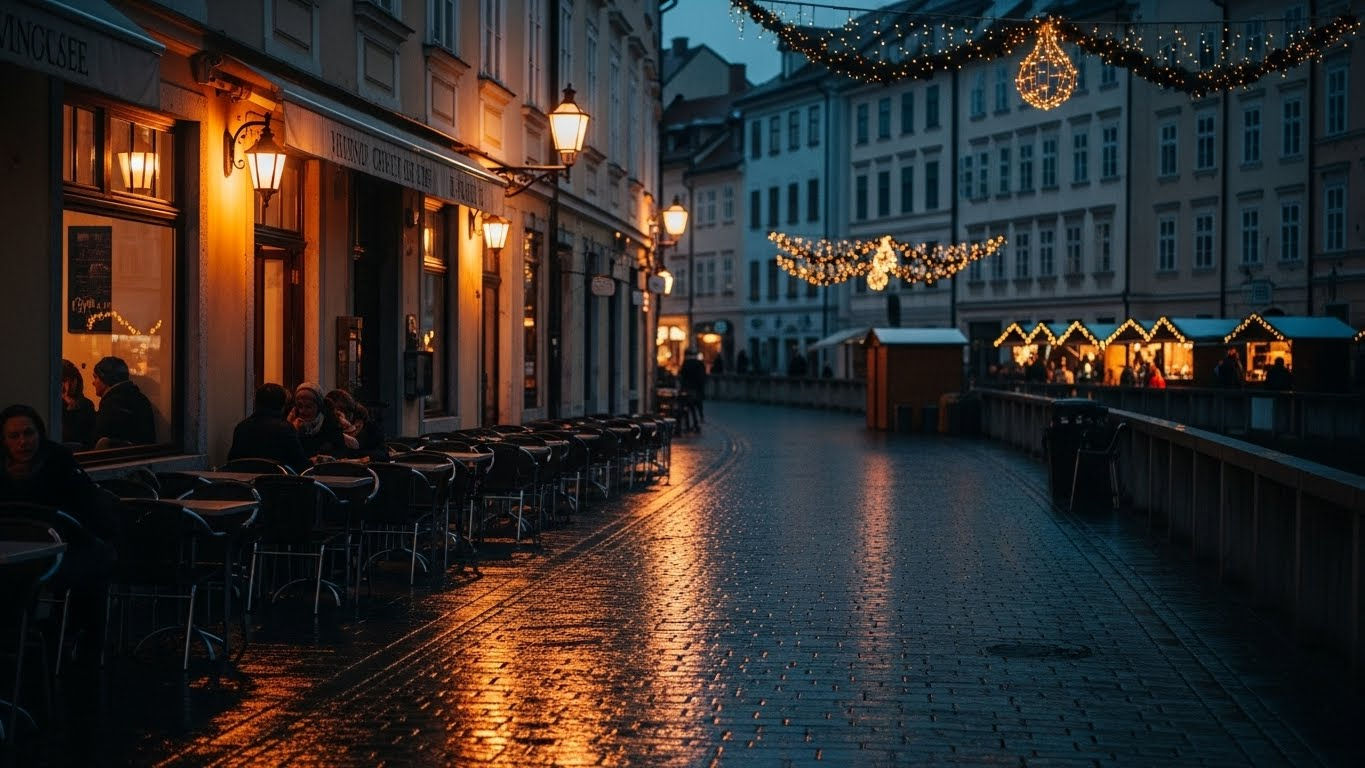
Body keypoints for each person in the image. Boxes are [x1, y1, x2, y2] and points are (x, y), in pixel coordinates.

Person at [0, 403, 117, 664]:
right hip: (19, 558)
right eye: (14, 436)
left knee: (96, 558)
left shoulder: (60, 463)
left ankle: (80, 635)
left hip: (58, 552)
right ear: (4, 440)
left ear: (39, 434)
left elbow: (87, 505)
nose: (23, 442)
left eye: (28, 433)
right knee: (100, 557)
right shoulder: (55, 461)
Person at [227, 383, 311, 473]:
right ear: (282, 406)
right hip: (276, 480)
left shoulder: (242, 427)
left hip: (246, 479)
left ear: (256, 403)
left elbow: (233, 461)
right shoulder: (285, 429)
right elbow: (301, 465)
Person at [91, 355, 156, 447]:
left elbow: (99, 439)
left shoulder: (113, 404)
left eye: (95, 377)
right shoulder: (138, 398)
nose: (93, 383)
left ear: (105, 378)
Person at [289, 382, 348, 460]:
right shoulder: (293, 424)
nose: (303, 411)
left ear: (319, 406)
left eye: (308, 406)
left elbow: (341, 453)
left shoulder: (331, 423)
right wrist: (292, 431)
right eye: (300, 406)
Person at [326, 388, 386, 461]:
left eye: (339, 414)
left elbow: (383, 455)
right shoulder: (328, 429)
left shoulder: (369, 427)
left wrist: (366, 457)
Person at [61, 359, 96, 449]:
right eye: (63, 381)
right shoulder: (53, 406)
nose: (68, 385)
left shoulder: (86, 404)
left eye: (71, 380)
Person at [677, 350, 707, 433]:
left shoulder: (686, 363)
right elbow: (702, 377)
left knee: (686, 407)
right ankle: (696, 423)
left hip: (686, 388)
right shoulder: (699, 363)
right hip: (695, 389)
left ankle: (685, 426)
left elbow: (682, 375)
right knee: (694, 407)